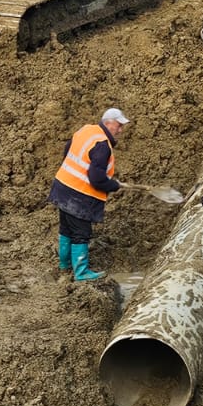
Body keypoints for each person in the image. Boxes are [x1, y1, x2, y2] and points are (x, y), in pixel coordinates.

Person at [49, 108, 129, 281]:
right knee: (80, 233)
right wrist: (113, 185)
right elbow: (97, 179)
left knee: (66, 229)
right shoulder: (102, 145)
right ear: (108, 123)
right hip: (79, 196)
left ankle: (64, 265)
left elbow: (67, 150)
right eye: (119, 125)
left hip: (62, 187)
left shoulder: (87, 130)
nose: (120, 130)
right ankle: (81, 272)